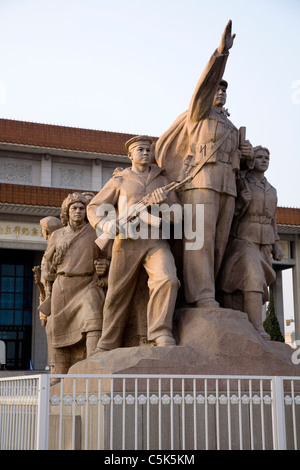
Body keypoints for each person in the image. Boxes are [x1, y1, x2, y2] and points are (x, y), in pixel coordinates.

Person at [155, 20, 254, 308]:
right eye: (217, 89)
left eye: (224, 90)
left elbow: (241, 164)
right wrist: (222, 53)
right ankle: (202, 296)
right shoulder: (198, 113)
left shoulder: (230, 125)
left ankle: (214, 293)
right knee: (198, 241)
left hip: (227, 185)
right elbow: (205, 83)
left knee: (218, 243)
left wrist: (245, 155)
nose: (220, 92)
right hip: (201, 182)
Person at [87, 135, 181, 351]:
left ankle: (161, 332)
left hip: (155, 240)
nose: (145, 153)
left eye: (148, 149)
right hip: (126, 241)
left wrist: (164, 201)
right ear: (130, 155)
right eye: (140, 149)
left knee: (168, 279)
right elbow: (93, 207)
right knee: (117, 294)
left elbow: (177, 216)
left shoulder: (163, 181)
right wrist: (106, 225)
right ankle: (107, 343)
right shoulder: (119, 180)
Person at [217, 146, 283, 340]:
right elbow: (228, 215)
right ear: (251, 160)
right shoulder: (241, 183)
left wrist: (276, 245)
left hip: (265, 241)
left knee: (259, 282)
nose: (264, 160)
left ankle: (249, 323)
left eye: (267, 158)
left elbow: (273, 219)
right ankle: (257, 327)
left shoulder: (272, 190)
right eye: (260, 157)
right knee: (253, 277)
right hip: (244, 238)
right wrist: (240, 203)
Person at [42, 192, 108, 373]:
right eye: (74, 208)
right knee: (57, 330)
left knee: (94, 318)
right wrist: (46, 293)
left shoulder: (96, 233)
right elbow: (46, 266)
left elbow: (107, 258)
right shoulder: (57, 235)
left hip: (87, 284)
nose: (78, 211)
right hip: (63, 287)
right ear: (67, 211)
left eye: (82, 208)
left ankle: (94, 366)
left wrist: (104, 267)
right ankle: (58, 373)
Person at [32, 216, 63, 374]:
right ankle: (54, 368)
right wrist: (38, 283)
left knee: (54, 333)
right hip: (49, 301)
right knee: (50, 333)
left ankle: (56, 369)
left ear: (46, 232)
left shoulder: (58, 250)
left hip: (60, 299)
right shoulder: (47, 253)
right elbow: (45, 285)